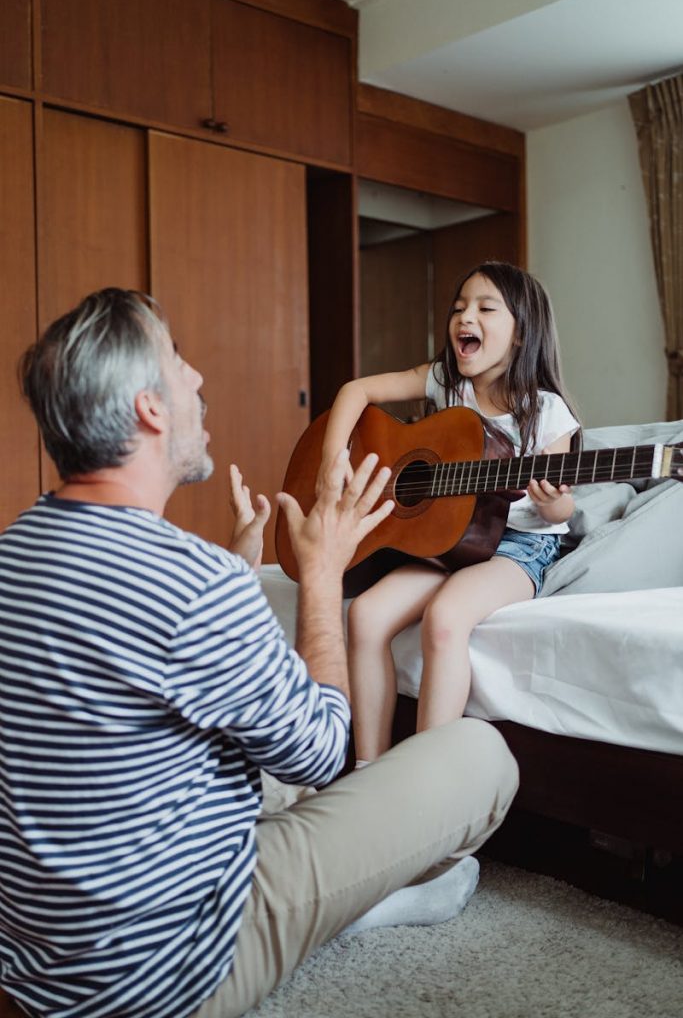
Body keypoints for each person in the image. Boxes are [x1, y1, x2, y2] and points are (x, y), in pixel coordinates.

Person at [0, 288, 518, 1018]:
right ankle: (342, 911)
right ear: (150, 409)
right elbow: (319, 752)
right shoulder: (190, 579)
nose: (198, 381)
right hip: (163, 976)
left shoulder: (12, 553)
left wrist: (242, 579)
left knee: (251, 764)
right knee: (479, 753)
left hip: (34, 963)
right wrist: (322, 577)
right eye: (179, 363)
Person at [319, 261, 580, 766]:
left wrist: (554, 504)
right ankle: (369, 769)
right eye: (460, 307)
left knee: (444, 619)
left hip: (518, 543)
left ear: (522, 334)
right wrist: (334, 462)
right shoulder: (444, 382)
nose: (466, 316)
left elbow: (561, 507)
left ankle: (423, 779)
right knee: (367, 616)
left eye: (485, 308)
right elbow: (356, 391)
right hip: (449, 536)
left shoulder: (546, 411)